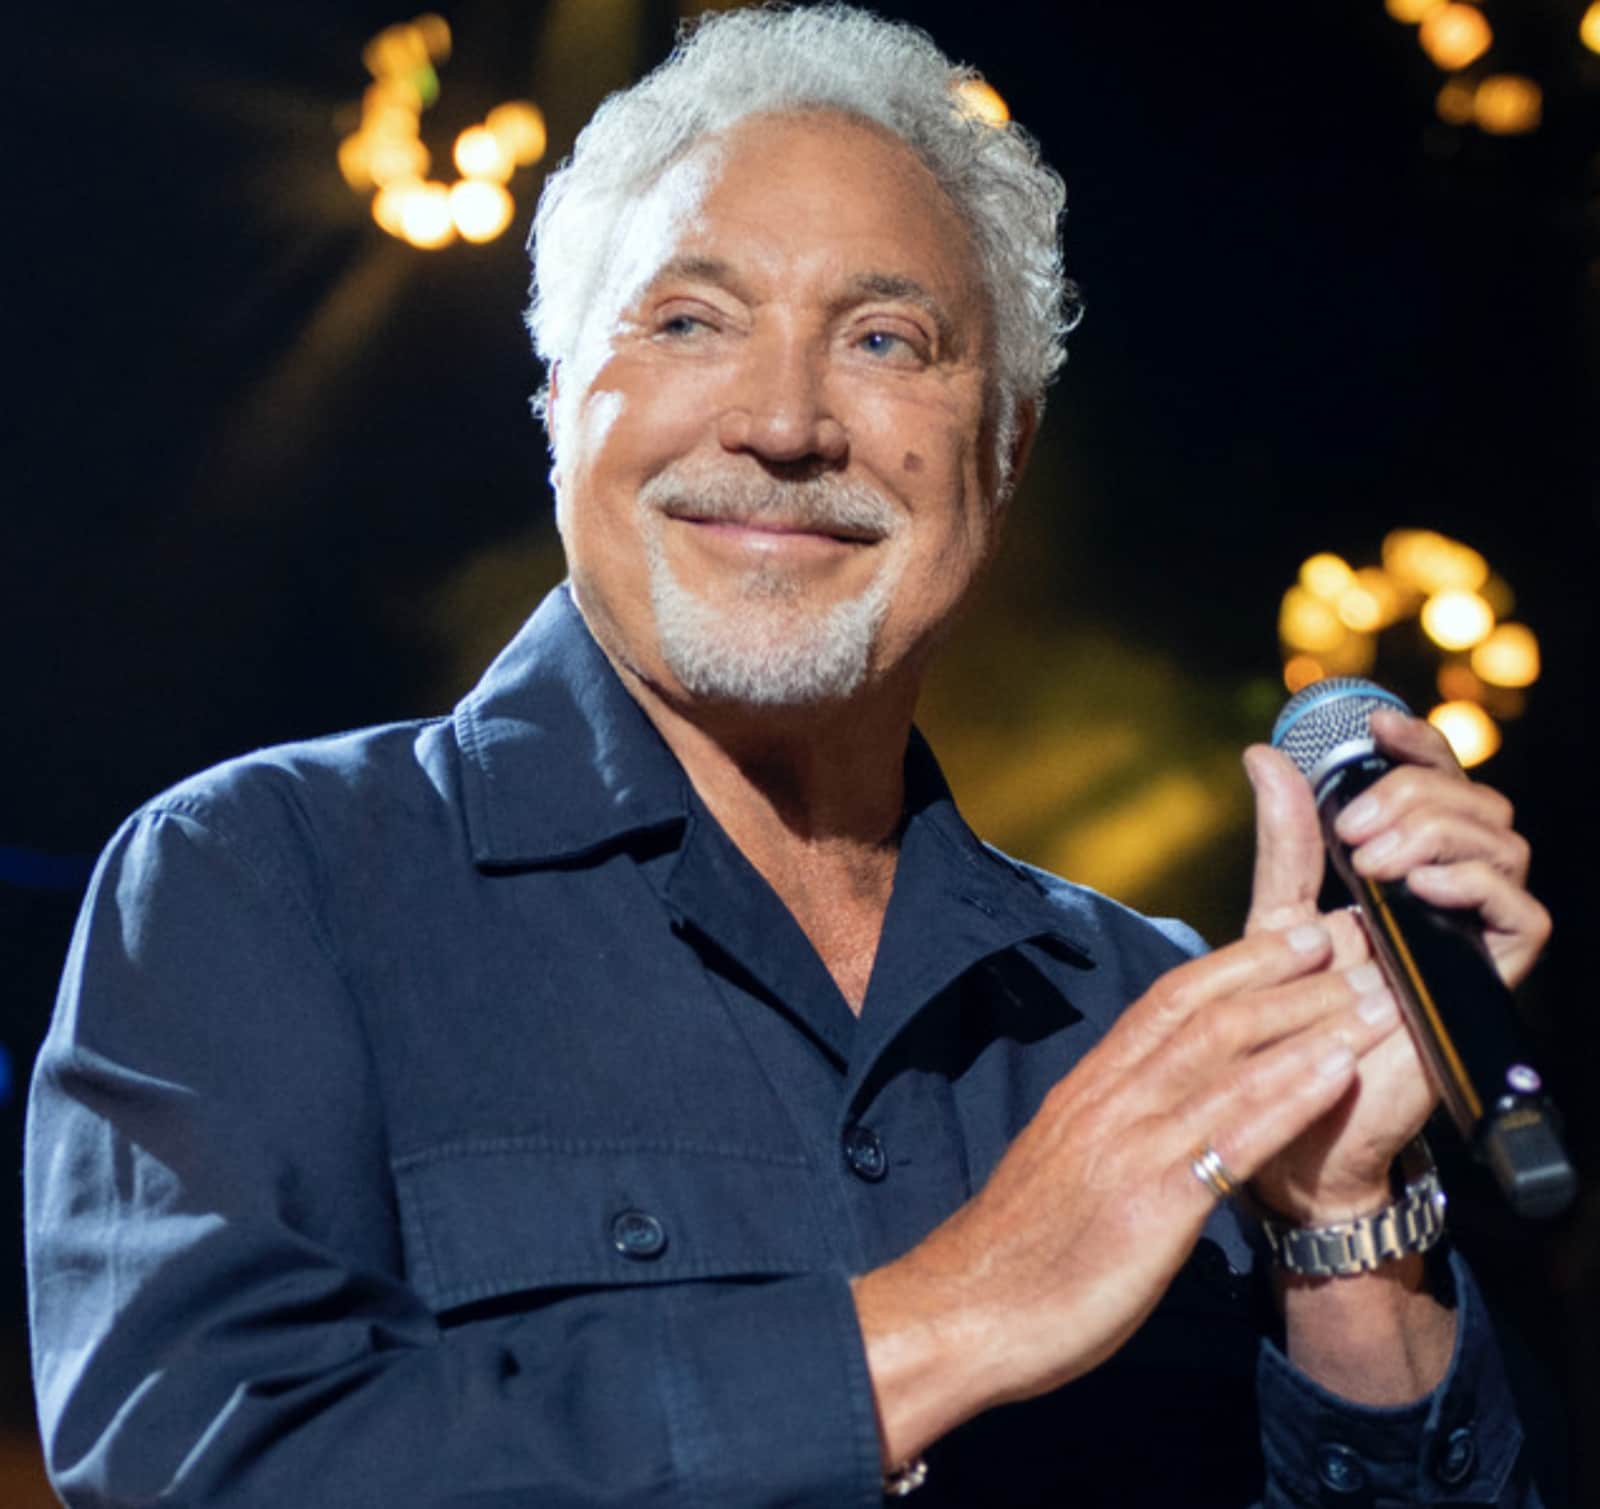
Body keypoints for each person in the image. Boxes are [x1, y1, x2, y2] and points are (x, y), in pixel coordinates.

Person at [26, 6, 1553, 1505]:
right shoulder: (268, 881)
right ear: (559, 399)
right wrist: (960, 1309)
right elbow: (214, 1471)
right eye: (690, 320)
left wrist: (1340, 1225)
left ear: (1006, 445)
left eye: (887, 339)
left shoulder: (1160, 1011)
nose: (783, 421)